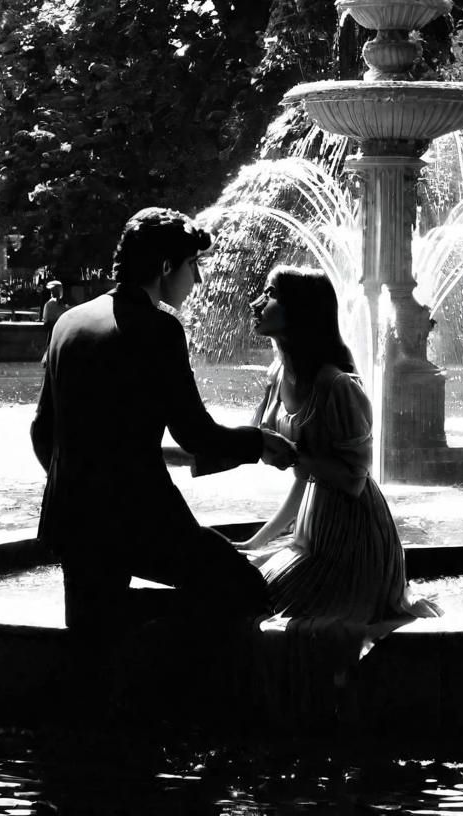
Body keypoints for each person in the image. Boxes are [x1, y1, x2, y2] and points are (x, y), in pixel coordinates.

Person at [30, 207, 297, 634]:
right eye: (193, 265)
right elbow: (195, 434)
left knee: (92, 639)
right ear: (166, 266)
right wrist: (260, 444)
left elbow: (42, 431)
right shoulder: (158, 328)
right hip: (139, 518)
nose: (199, 279)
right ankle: (188, 693)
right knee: (246, 589)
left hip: (73, 517)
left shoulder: (68, 322)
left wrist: (79, 485)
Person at [238, 265, 442, 649]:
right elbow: (303, 475)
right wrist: (256, 540)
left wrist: (295, 457)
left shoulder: (336, 386)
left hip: (354, 535)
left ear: (300, 309)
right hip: (314, 529)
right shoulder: (279, 375)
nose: (256, 302)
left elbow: (352, 479)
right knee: (255, 596)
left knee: (273, 612)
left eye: (269, 294)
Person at [40, 279, 67, 365]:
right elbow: (47, 319)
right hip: (56, 329)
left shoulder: (51, 304)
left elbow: (46, 319)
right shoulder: (50, 304)